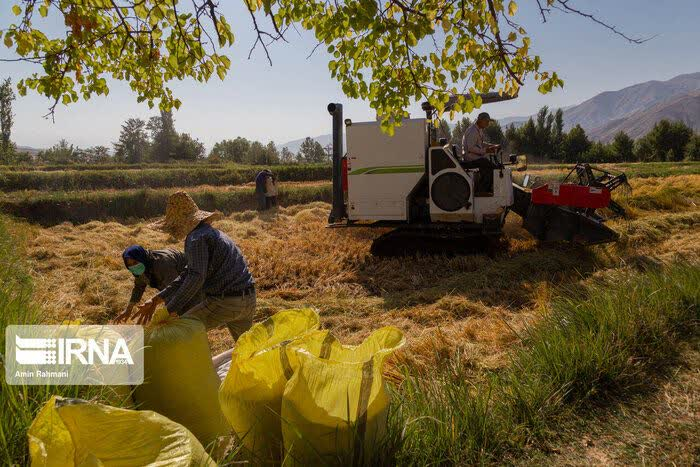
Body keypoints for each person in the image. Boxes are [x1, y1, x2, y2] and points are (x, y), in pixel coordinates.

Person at [116, 191, 256, 342]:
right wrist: (156, 299)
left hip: (225, 301)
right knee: (247, 348)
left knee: (179, 331)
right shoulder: (212, 233)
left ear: (180, 222)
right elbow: (187, 273)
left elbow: (196, 276)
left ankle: (197, 365)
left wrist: (169, 310)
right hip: (248, 298)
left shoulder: (195, 239)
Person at [115, 245, 202, 322]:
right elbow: (139, 287)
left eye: (135, 262)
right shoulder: (142, 267)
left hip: (194, 277)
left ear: (141, 258)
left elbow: (175, 289)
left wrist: (154, 303)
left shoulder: (162, 264)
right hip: (174, 284)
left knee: (187, 311)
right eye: (129, 265)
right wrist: (128, 309)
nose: (133, 266)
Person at [461, 112, 501, 195]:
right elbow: (471, 148)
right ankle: (482, 191)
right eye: (486, 121)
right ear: (480, 120)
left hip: (475, 157)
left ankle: (485, 189)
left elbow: (481, 144)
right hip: (470, 158)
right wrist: (486, 150)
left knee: (490, 165)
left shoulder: (478, 130)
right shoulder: (472, 131)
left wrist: (492, 146)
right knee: (491, 167)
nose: (488, 123)